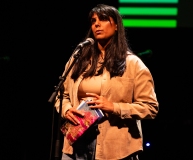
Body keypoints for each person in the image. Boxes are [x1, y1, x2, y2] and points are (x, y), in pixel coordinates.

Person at [54, 4, 159, 160]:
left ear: (116, 25)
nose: (96, 24)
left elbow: (150, 108)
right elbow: (61, 96)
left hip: (115, 147)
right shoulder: (78, 60)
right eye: (93, 20)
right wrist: (67, 110)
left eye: (103, 19)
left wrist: (114, 107)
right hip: (76, 140)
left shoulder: (133, 64)